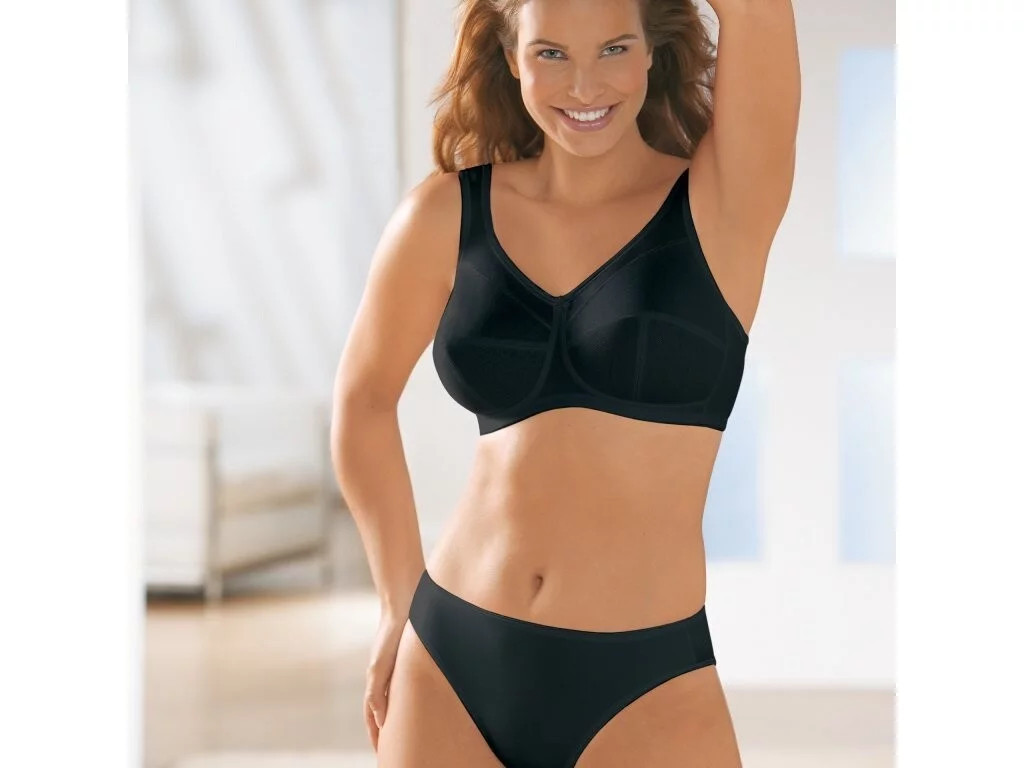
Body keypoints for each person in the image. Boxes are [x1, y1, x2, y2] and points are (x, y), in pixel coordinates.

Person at [330, 0, 799, 765]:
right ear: (509, 55)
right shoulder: (445, 213)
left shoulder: (723, 207)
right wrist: (395, 601)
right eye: (550, 53)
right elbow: (362, 401)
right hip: (451, 659)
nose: (584, 86)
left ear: (653, 49)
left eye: (614, 48)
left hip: (646, 679)